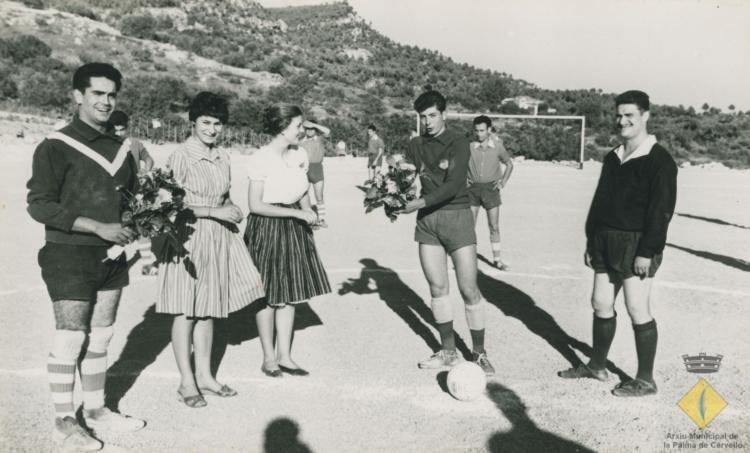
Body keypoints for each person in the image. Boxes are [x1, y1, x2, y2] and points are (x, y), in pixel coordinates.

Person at [27, 62, 145, 452]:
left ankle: (94, 410)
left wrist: (138, 223)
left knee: (102, 335)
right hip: (68, 253)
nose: (106, 101)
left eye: (112, 94)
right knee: (70, 337)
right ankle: (64, 421)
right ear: (77, 96)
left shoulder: (121, 148)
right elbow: (40, 205)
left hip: (112, 256)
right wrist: (98, 227)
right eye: (97, 93)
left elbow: (129, 202)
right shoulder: (55, 145)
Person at [558, 90, 677, 397]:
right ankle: (596, 366)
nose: (622, 121)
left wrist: (647, 251)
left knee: (637, 307)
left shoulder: (659, 161)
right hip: (604, 240)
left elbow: (661, 212)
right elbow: (600, 201)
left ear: (645, 116)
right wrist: (590, 238)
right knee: (600, 303)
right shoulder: (613, 156)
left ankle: (646, 379)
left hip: (636, 244)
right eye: (618, 115)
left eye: (629, 116)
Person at [156, 92, 265, 408]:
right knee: (186, 309)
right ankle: (186, 382)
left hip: (218, 237)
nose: (212, 129)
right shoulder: (181, 157)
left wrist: (232, 208)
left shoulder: (223, 156)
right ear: (193, 122)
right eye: (206, 122)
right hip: (187, 238)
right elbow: (167, 206)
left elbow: (224, 195)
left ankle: (204, 376)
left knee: (208, 309)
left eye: (217, 123)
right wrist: (212, 212)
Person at [399, 90, 495, 376]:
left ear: (444, 114)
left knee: (468, 289)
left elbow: (453, 186)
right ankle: (449, 351)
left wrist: (416, 202)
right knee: (438, 290)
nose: (427, 122)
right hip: (427, 223)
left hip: (457, 218)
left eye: (432, 115)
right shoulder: (416, 144)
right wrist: (390, 192)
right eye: (422, 117)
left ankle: (479, 353)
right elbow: (405, 175)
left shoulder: (458, 142)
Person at [244, 104, 331, 378]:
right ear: (283, 127)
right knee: (268, 295)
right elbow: (256, 205)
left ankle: (285, 356)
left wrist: (309, 212)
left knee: (290, 293)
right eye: (298, 126)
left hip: (294, 225)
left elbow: (302, 189)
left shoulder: (300, 154)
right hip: (268, 226)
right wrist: (296, 213)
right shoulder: (261, 158)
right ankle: (268, 358)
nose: (302, 130)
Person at [468, 115, 514, 270]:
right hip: (472, 190)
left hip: (491, 190)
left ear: (489, 130)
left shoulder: (498, 147)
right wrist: (463, 180)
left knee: (494, 225)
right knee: (469, 226)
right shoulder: (469, 146)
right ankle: (467, 260)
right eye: (476, 131)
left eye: (482, 130)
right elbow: (458, 165)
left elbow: (509, 164)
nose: (479, 134)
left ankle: (497, 260)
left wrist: (503, 182)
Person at [300, 120, 331, 227]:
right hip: (304, 170)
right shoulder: (301, 140)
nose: (309, 131)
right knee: (303, 195)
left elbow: (327, 131)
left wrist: (313, 125)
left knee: (319, 196)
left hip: (317, 169)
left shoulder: (320, 139)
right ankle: (308, 219)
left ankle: (321, 219)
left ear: (316, 129)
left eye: (312, 129)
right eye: (307, 129)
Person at [109, 110, 154, 174]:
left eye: (122, 130)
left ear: (127, 128)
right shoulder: (104, 145)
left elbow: (148, 159)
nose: (119, 134)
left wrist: (146, 170)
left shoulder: (135, 143)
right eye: (116, 130)